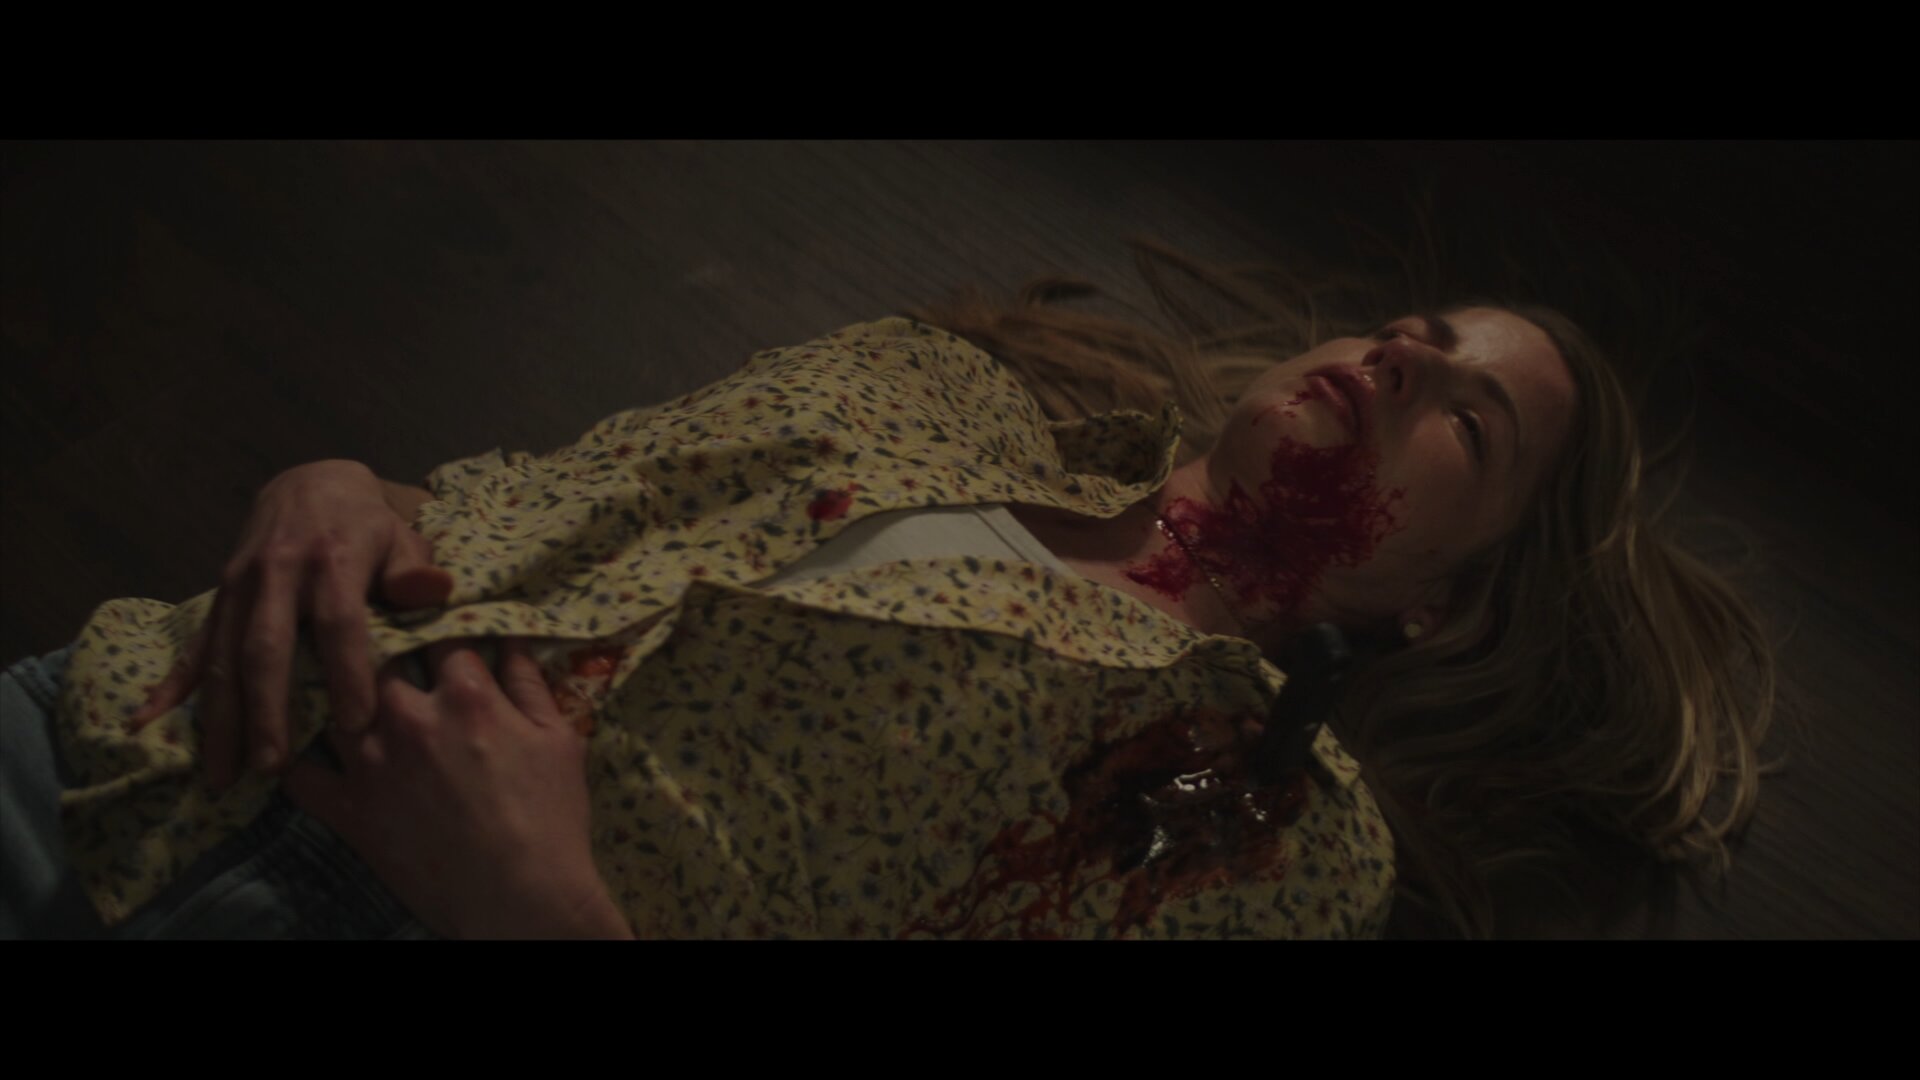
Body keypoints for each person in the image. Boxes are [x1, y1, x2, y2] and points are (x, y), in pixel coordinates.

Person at [1, 244, 1777, 939]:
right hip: (130, 724)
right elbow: (531, 507)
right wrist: (338, 489)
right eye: (1415, 326)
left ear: (1443, 607)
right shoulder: (943, 389)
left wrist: (536, 901)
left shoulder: (1266, 831)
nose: (1399, 355)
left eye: (1465, 413)